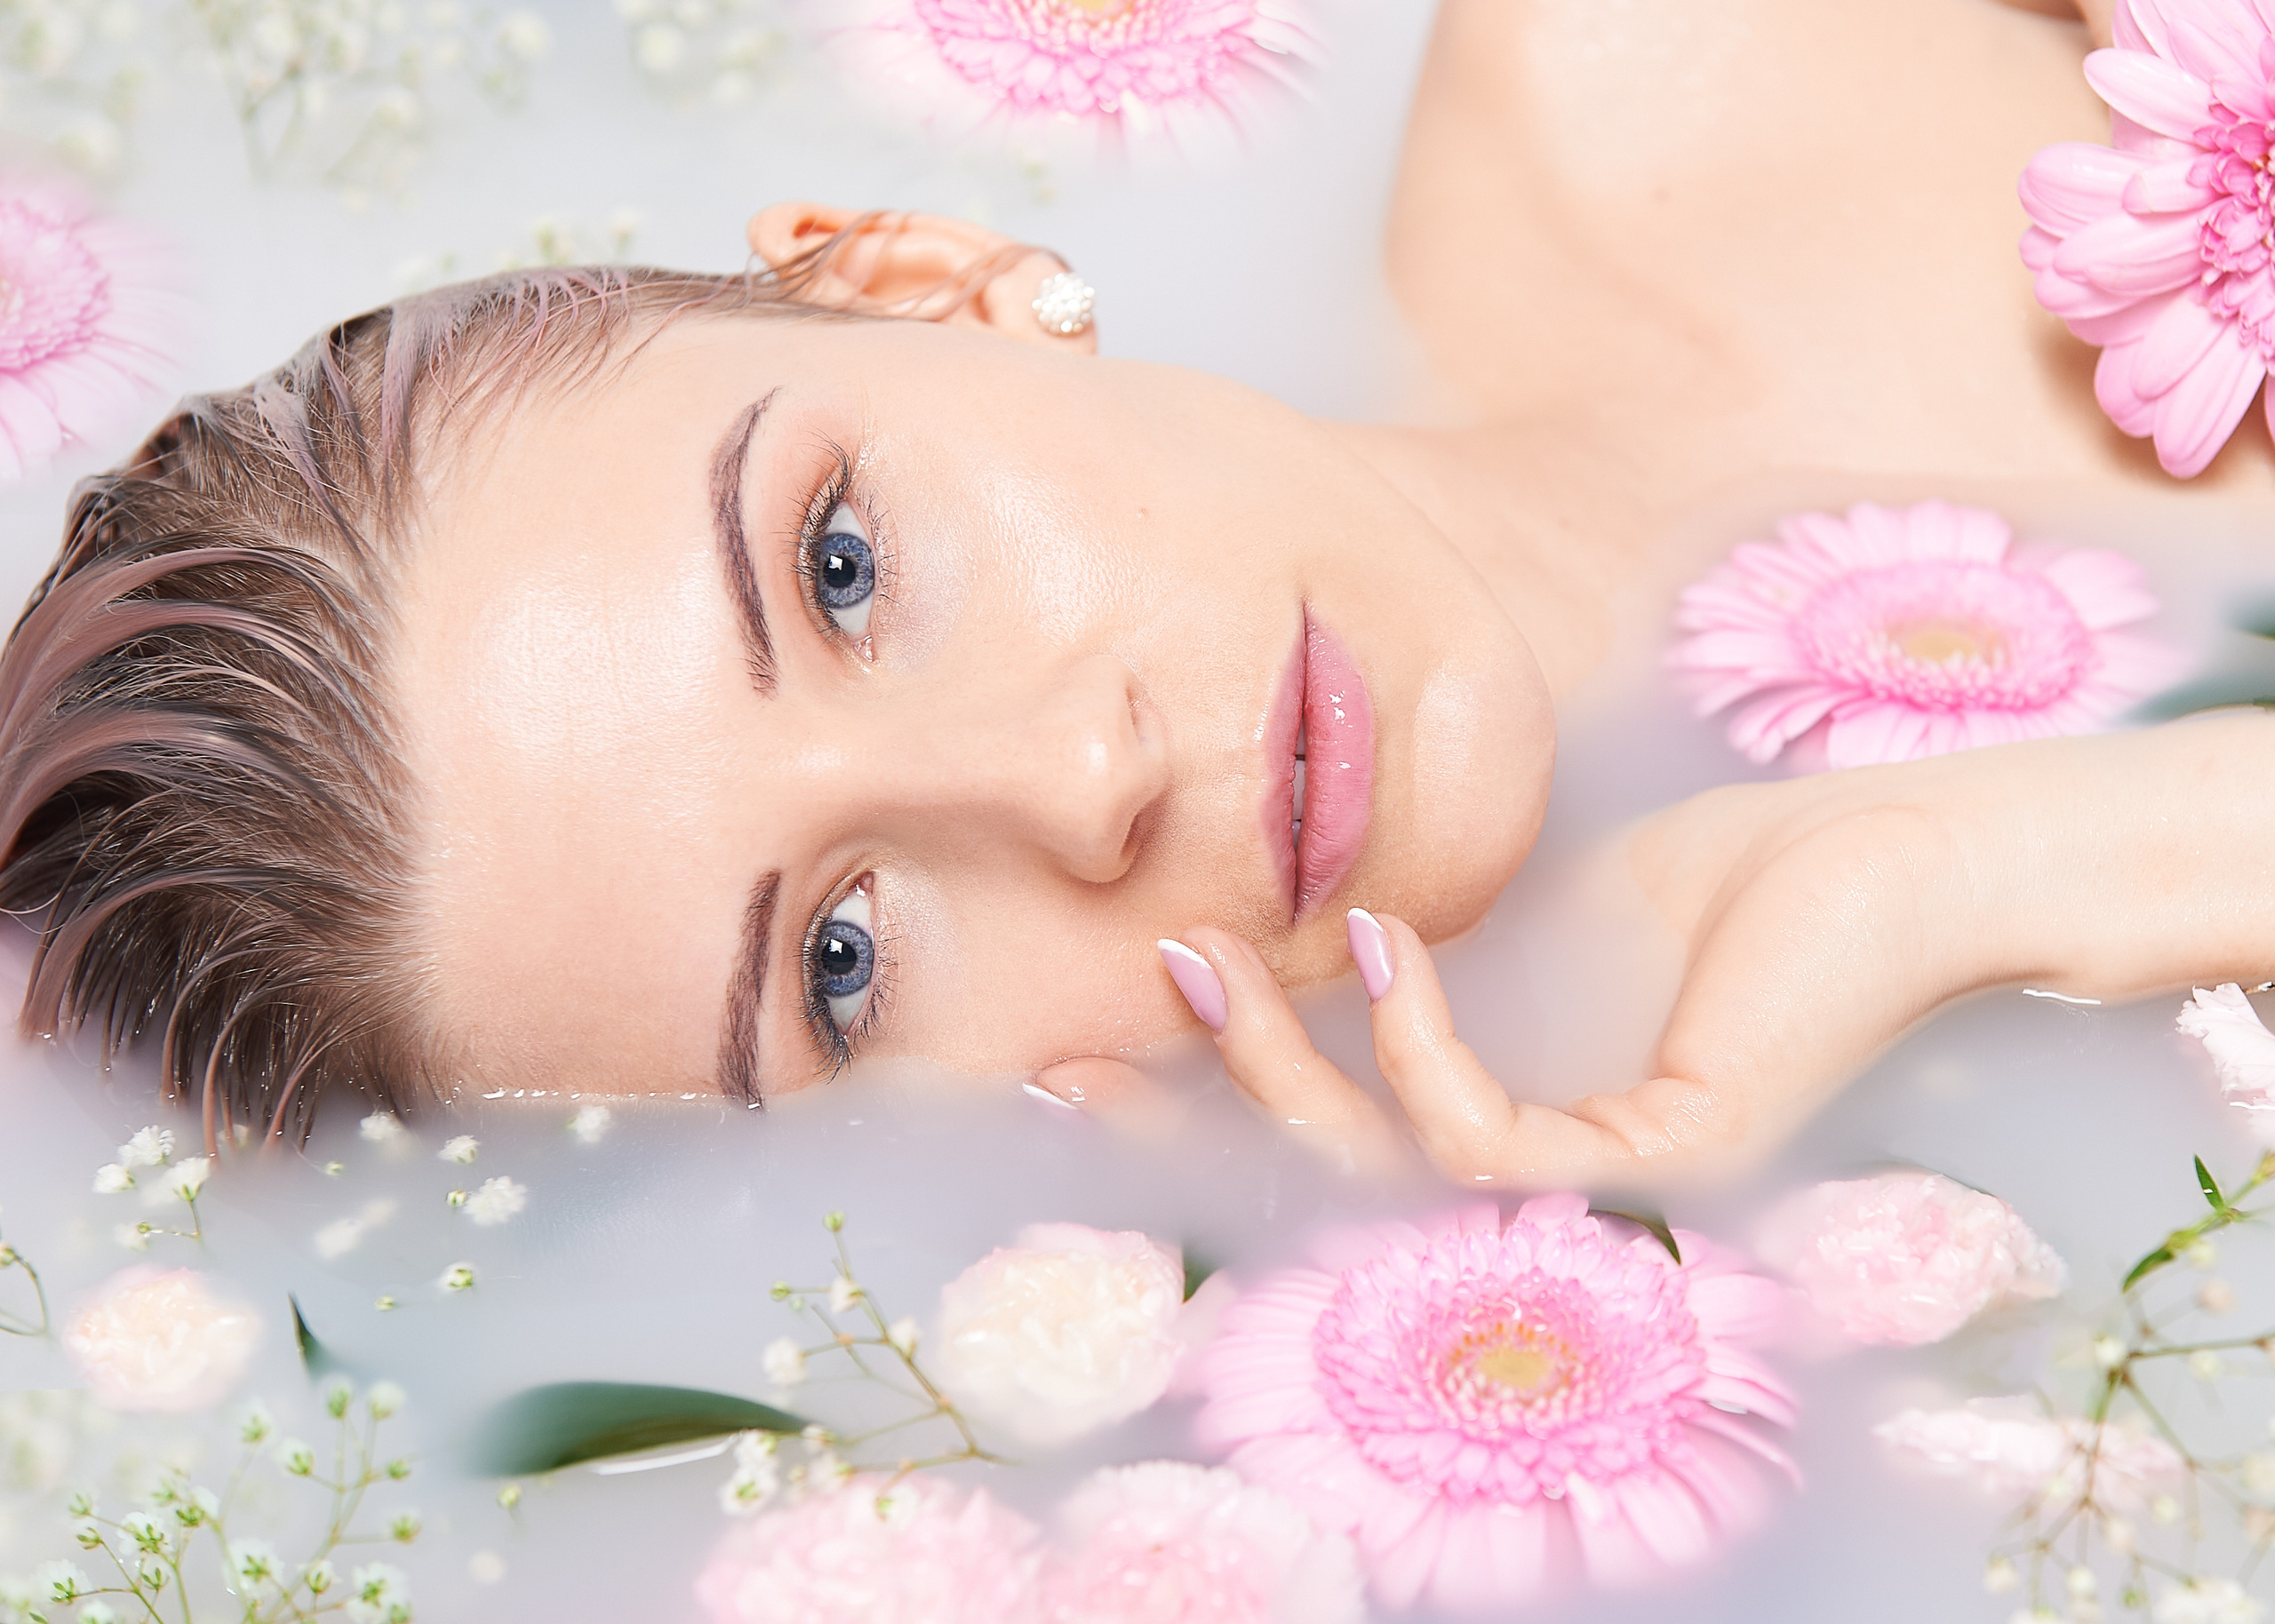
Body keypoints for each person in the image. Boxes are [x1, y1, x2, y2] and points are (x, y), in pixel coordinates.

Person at [0, 0, 2267, 1182]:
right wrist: (1953, 878)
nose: (1074, 778)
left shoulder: (1662, 42)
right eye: (843, 959)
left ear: (933, 280)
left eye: (842, 563)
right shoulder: (1756, 1176)